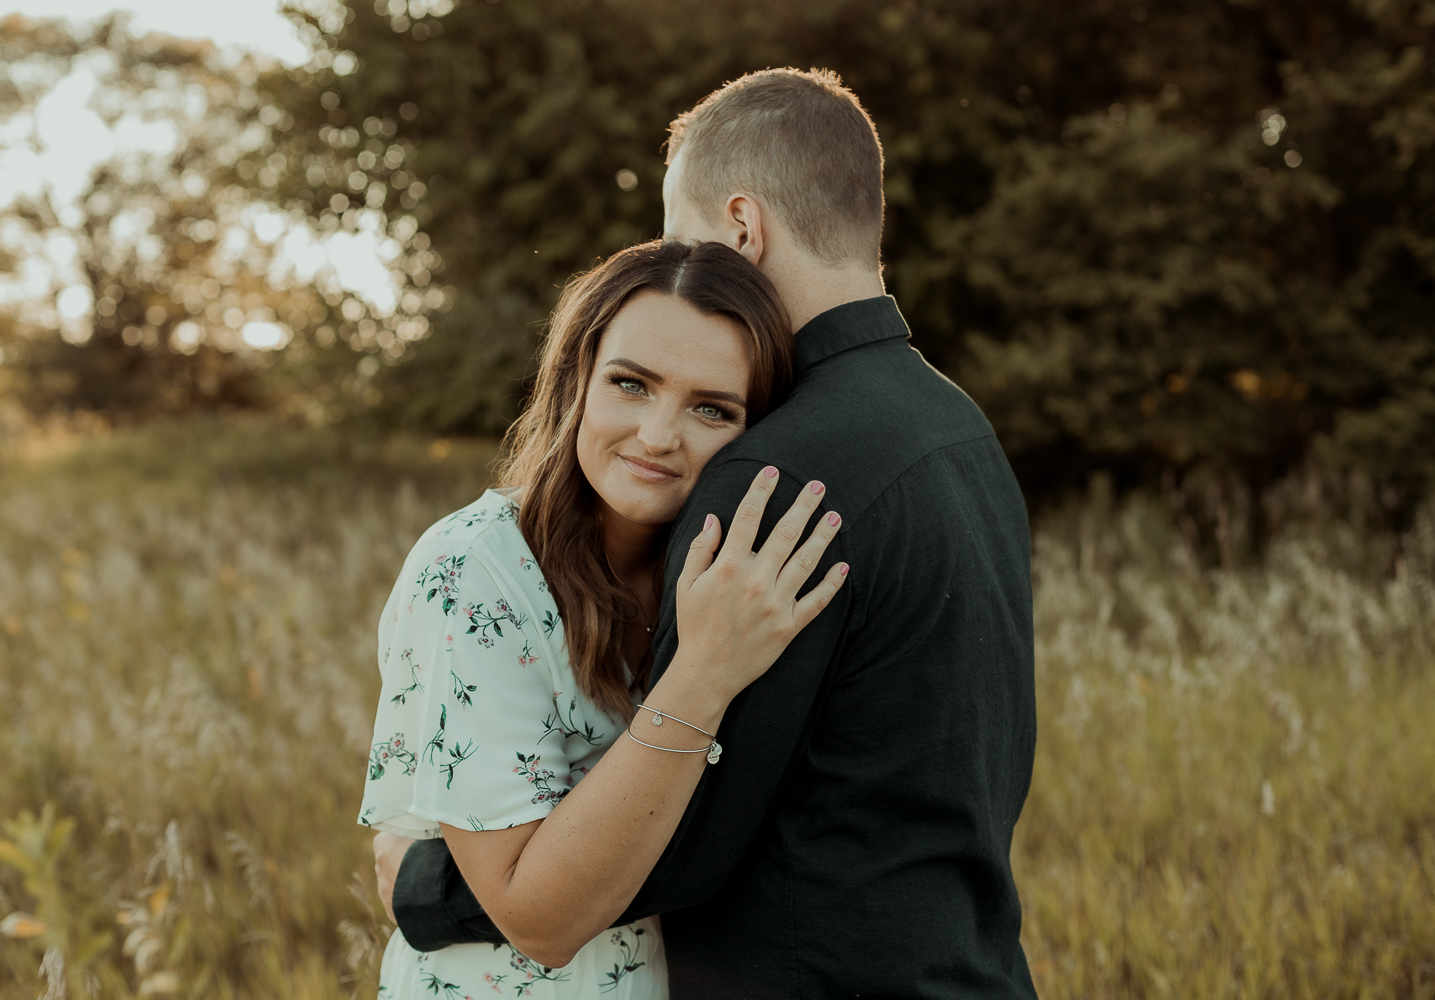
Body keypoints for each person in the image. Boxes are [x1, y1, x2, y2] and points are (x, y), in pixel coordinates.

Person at [380, 67, 1040, 999]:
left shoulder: (777, 469)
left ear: (739, 228)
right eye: (633, 384)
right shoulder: (957, 429)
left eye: (676, 234)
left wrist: (427, 883)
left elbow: (687, 832)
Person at [358, 238, 852, 999]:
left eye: (712, 409)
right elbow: (538, 922)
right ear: (577, 380)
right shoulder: (476, 573)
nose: (658, 436)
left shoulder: (726, 584)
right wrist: (704, 673)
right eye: (631, 384)